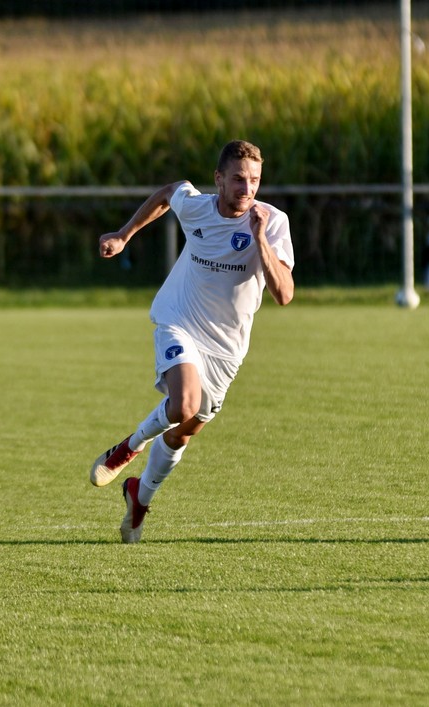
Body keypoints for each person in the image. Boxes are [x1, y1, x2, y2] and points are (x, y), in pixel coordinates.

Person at [90, 139, 294, 543]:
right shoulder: (198, 206)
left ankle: (139, 497)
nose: (247, 189)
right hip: (178, 319)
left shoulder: (271, 222)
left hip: (226, 347)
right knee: (184, 403)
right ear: (218, 179)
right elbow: (170, 192)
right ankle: (128, 446)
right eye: (238, 179)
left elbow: (284, 294)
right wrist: (125, 234)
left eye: (254, 180)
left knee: (185, 428)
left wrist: (261, 242)